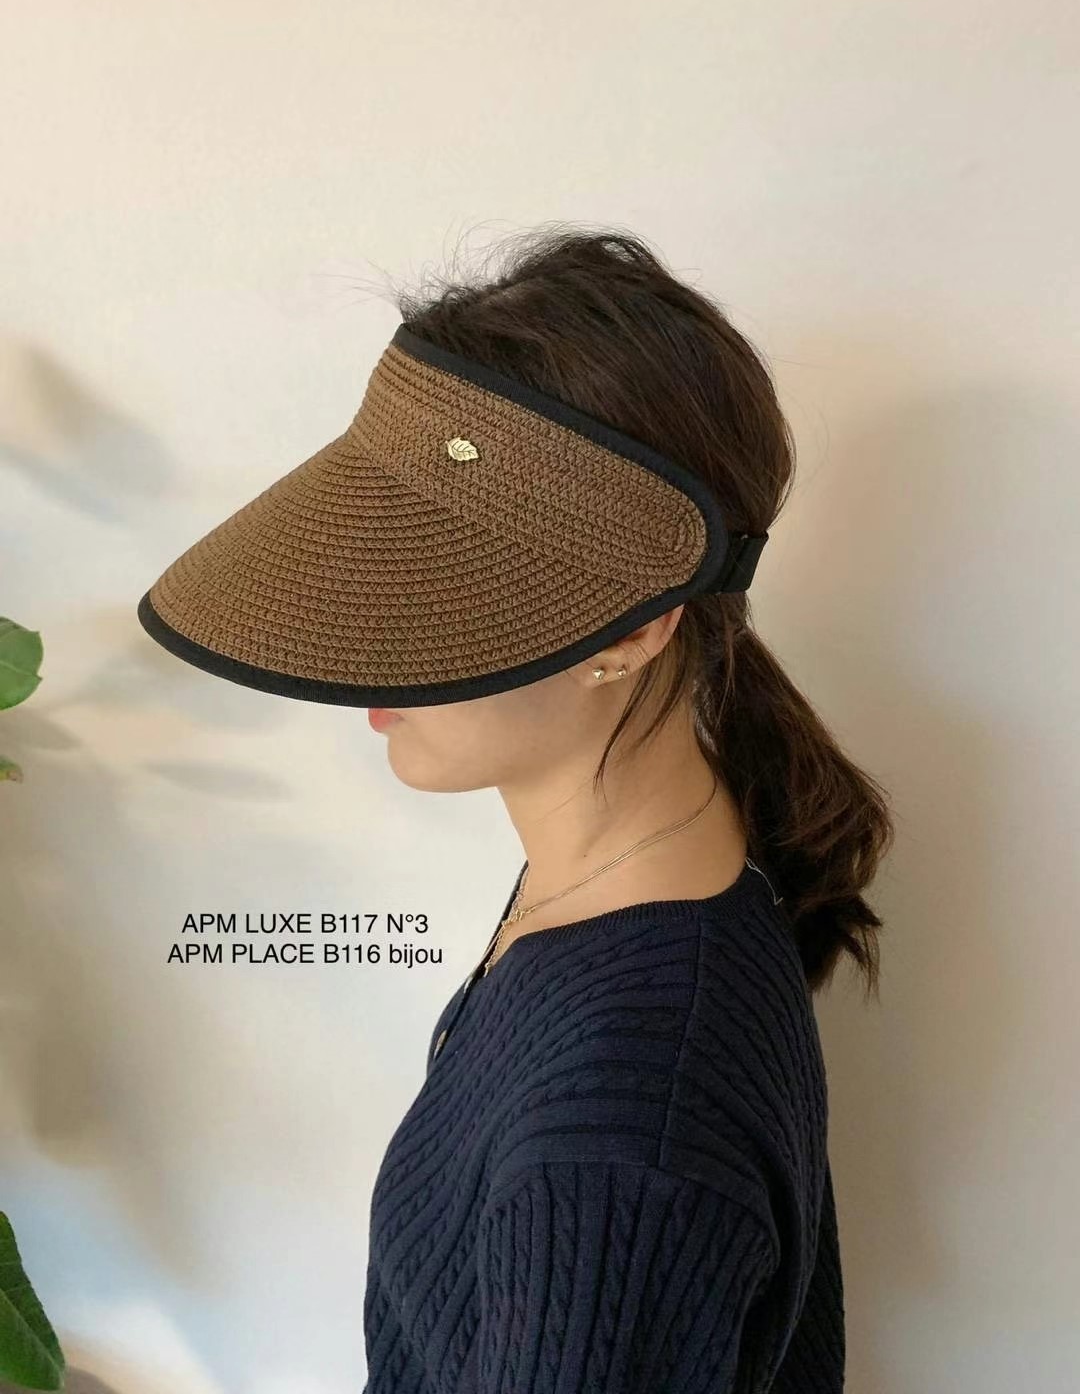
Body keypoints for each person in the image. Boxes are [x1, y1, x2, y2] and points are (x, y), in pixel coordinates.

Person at [137, 225, 894, 1392]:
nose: (364, 653)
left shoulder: (618, 1140)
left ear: (635, 630)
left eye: (443, 601)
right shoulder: (643, 865)